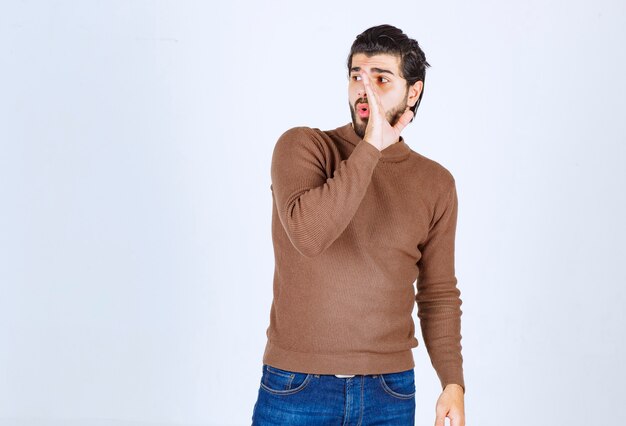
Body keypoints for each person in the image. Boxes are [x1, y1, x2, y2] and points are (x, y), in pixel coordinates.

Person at [251, 24, 466, 426]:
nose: (363, 90)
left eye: (381, 79)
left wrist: (452, 382)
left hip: (390, 392)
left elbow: (437, 293)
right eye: (356, 77)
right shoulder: (304, 147)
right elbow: (309, 235)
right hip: (297, 387)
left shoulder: (436, 183)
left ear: (413, 92)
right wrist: (370, 149)